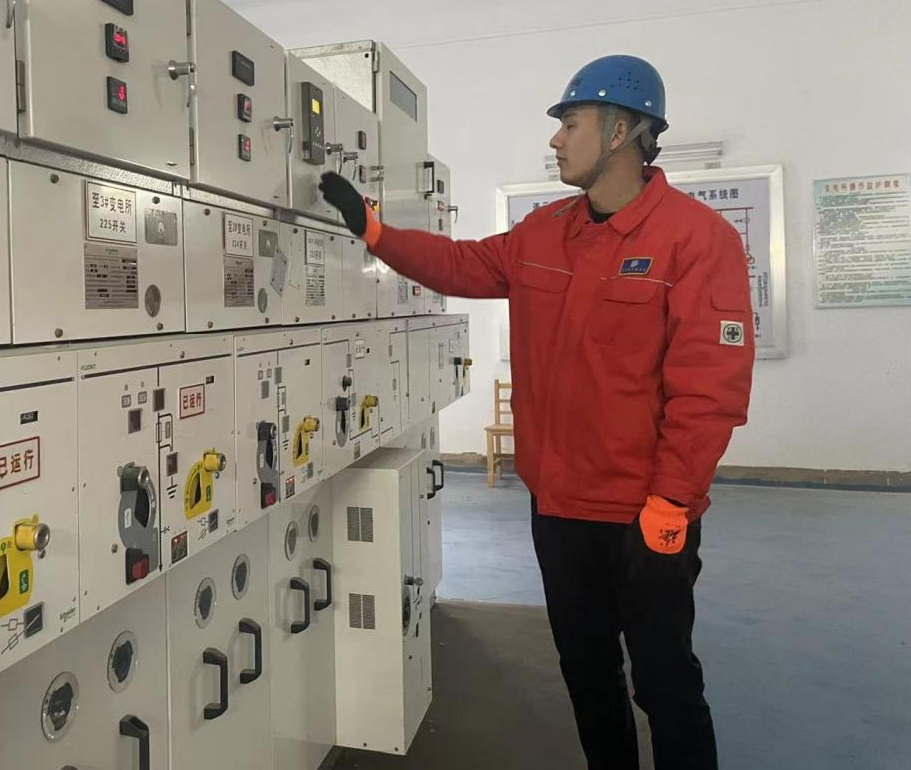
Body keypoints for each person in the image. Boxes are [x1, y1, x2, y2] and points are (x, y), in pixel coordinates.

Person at [319, 55, 755, 770]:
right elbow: (461, 264)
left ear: (622, 130)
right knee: (586, 671)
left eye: (570, 124)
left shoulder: (696, 239)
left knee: (665, 682)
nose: (555, 140)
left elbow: (710, 390)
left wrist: (672, 504)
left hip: (645, 514)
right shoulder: (545, 231)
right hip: (558, 506)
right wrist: (373, 231)